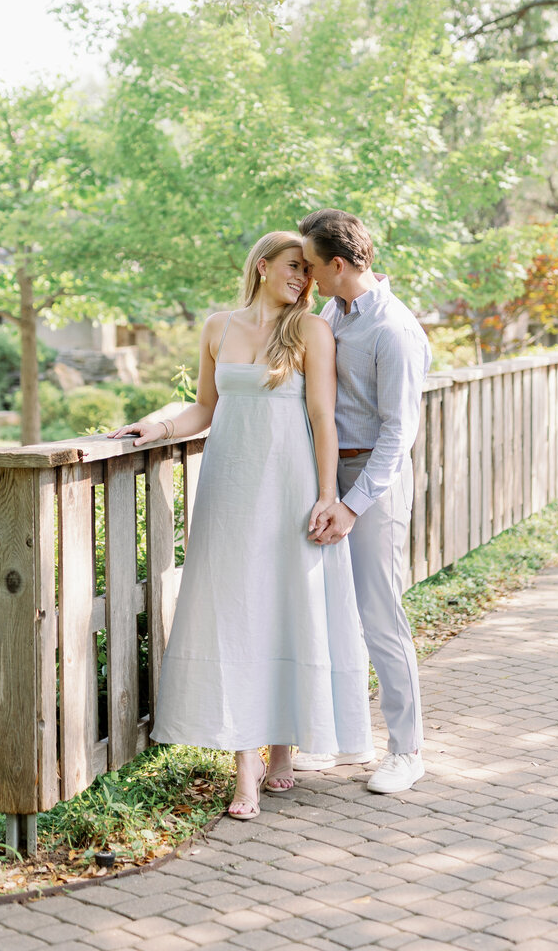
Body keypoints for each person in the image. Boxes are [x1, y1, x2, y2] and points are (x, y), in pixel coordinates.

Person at [109, 231, 370, 819]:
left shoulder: (310, 330)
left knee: (284, 606)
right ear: (261, 266)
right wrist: (157, 425)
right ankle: (245, 766)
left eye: (308, 271)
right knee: (236, 611)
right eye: (293, 267)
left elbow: (323, 417)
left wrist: (328, 495)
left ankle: (281, 750)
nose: (304, 279)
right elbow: (205, 407)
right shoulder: (217, 327)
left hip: (289, 484)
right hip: (229, 486)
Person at [296, 209, 432, 795]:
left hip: (371, 483)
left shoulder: (393, 330)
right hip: (327, 476)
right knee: (329, 613)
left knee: (380, 615)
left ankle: (408, 751)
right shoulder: (333, 312)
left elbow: (399, 435)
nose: (305, 275)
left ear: (339, 264)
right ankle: (340, 739)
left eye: (310, 264)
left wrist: (352, 504)